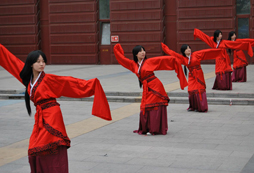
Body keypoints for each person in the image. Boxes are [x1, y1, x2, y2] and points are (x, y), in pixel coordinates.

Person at [0, 44, 112, 173]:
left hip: (52, 116)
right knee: (35, 149)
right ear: (31, 64)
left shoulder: (49, 79)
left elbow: (70, 83)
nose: (42, 64)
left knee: (49, 145)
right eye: (38, 62)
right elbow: (10, 60)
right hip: (40, 117)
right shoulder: (28, 79)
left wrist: (91, 84)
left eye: (43, 61)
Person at [113, 43, 187, 135]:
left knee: (154, 107)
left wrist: (176, 60)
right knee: (146, 107)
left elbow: (164, 60)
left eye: (143, 50)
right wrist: (116, 49)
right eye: (140, 51)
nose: (143, 52)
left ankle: (155, 129)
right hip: (146, 88)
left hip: (155, 87)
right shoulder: (133, 65)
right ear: (136, 54)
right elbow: (122, 60)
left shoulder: (149, 61)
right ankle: (147, 128)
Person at [161, 43, 224, 112]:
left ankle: (202, 107)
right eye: (187, 49)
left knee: (199, 89)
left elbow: (206, 52)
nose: (189, 49)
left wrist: (219, 52)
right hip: (191, 75)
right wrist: (165, 49)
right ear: (183, 51)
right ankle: (193, 106)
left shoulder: (196, 54)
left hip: (198, 74)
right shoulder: (183, 58)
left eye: (189, 48)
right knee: (191, 89)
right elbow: (173, 54)